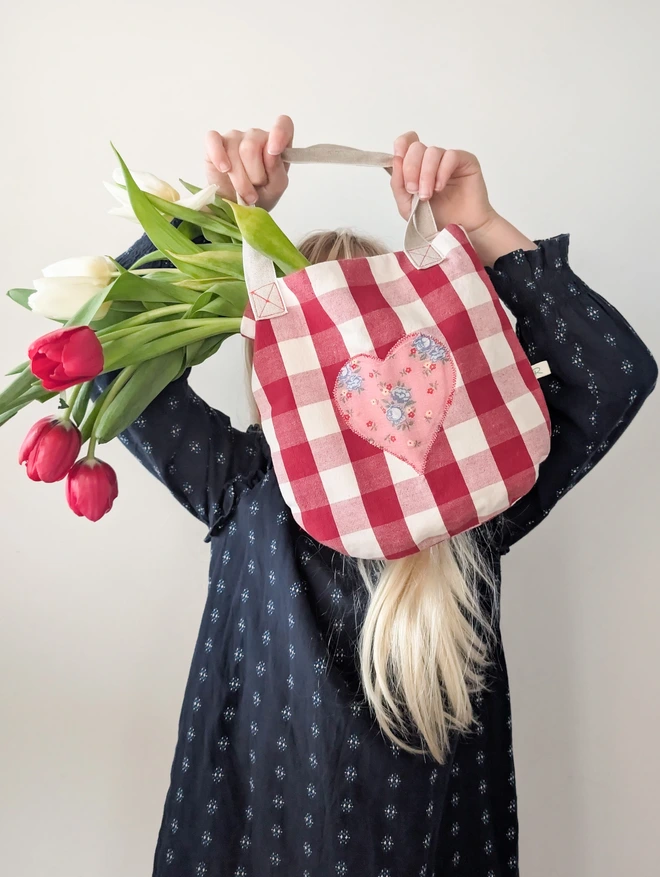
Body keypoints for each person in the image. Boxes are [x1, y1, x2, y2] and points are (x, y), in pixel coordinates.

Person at [96, 115, 657, 877]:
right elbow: (612, 374)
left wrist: (212, 214)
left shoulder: (244, 484)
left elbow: (104, 358)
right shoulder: (479, 499)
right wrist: (481, 229)